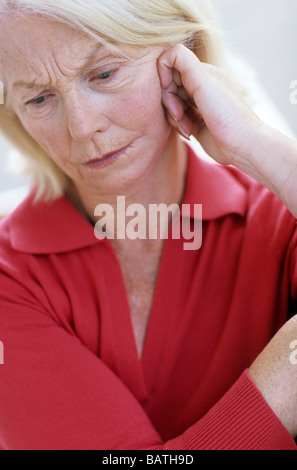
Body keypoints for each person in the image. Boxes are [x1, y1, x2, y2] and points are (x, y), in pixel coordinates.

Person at [0, 0, 296, 450]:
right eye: (39, 98)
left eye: (104, 73)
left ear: (182, 57)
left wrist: (256, 144)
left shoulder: (277, 213)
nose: (82, 127)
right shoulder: (10, 276)